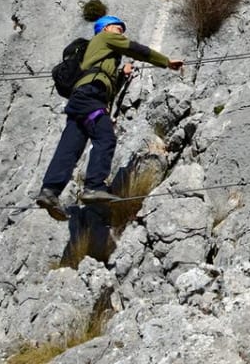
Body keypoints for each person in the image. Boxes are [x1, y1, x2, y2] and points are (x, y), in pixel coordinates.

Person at [36, 15, 183, 220]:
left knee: (70, 148)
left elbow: (103, 81)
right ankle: (94, 186)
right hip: (91, 96)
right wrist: (165, 62)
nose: (121, 33)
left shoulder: (100, 53)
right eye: (117, 29)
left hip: (81, 99)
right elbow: (135, 49)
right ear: (105, 29)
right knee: (105, 137)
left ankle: (49, 191)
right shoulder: (105, 39)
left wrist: (121, 75)